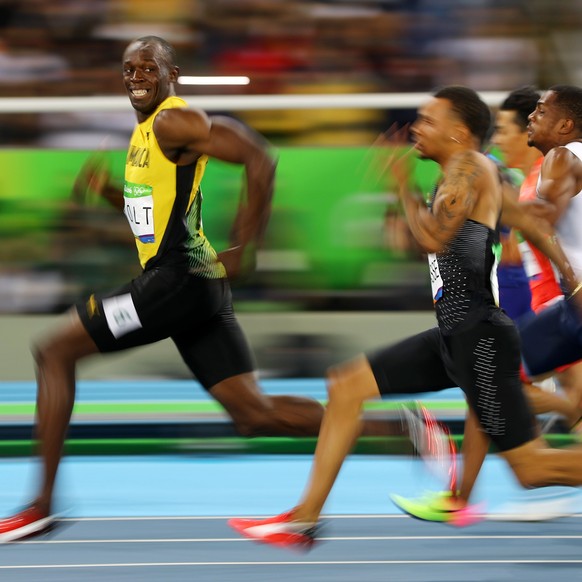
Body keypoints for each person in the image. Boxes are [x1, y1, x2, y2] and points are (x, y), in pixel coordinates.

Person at [0, 35, 331, 542]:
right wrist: (112, 194)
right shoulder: (144, 135)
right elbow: (156, 218)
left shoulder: (175, 120)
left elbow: (260, 158)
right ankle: (392, 426)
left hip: (175, 282)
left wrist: (247, 246)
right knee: (251, 413)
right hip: (195, 286)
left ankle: (41, 505)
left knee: (53, 352)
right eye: (129, 70)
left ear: (171, 72)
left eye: (148, 68)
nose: (137, 78)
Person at [229, 86, 582, 548]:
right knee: (346, 385)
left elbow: (433, 239)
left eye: (427, 121)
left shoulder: (472, 168)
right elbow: (532, 221)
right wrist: (571, 276)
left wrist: (399, 185)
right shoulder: (467, 175)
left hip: (478, 339)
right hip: (454, 334)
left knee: (532, 469)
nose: (416, 128)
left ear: (458, 132)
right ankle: (304, 519)